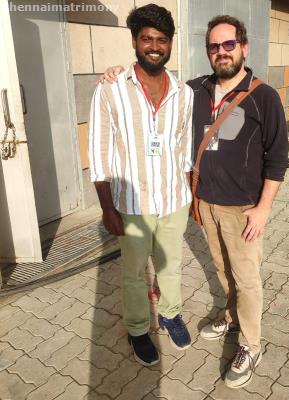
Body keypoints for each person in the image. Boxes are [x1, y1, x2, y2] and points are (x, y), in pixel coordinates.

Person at [100, 14, 289, 390]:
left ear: (244, 48)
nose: (221, 52)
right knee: (223, 270)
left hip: (242, 209)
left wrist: (264, 208)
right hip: (204, 204)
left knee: (247, 279)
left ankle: (251, 345)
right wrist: (115, 74)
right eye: (214, 46)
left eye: (229, 45)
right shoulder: (194, 91)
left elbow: (278, 158)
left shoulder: (264, 97)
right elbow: (152, 81)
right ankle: (230, 316)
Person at [88, 3, 193, 367]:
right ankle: (137, 328)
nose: (154, 46)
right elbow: (99, 152)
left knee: (171, 265)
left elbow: (183, 148)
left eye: (162, 40)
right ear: (134, 41)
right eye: (147, 38)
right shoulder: (110, 89)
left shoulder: (184, 93)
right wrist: (107, 208)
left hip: (173, 200)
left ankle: (170, 313)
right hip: (131, 205)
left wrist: (188, 192)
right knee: (134, 274)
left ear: (170, 44)